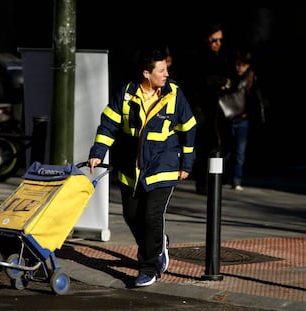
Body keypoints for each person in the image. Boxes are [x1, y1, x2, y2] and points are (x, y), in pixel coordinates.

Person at [87, 48, 197, 287]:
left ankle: (149, 267)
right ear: (146, 73)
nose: (166, 74)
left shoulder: (174, 95)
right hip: (131, 168)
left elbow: (188, 128)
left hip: (164, 165)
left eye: (166, 69)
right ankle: (158, 243)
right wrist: (97, 153)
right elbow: (108, 126)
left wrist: (186, 163)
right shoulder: (126, 94)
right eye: (161, 70)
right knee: (131, 215)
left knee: (151, 216)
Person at [190, 23, 232, 195]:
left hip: (218, 110)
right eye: (215, 40)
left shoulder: (221, 57)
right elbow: (199, 81)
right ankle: (203, 182)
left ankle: (214, 179)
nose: (218, 43)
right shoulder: (200, 57)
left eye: (220, 40)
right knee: (205, 146)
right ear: (207, 39)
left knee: (221, 145)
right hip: (203, 111)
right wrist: (221, 80)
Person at [216, 46, 265, 190]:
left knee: (239, 151)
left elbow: (257, 98)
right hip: (228, 117)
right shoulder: (229, 76)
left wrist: (258, 115)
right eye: (238, 64)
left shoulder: (251, 77)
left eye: (243, 65)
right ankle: (222, 177)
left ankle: (236, 179)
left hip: (243, 118)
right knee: (227, 150)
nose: (239, 68)